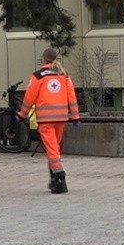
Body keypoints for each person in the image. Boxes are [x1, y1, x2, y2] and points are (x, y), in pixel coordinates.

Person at [18, 48, 80, 194]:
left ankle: (59, 177)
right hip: (61, 118)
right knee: (54, 148)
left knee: (52, 149)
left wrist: (22, 114)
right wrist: (75, 116)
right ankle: (53, 179)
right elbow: (71, 96)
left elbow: (29, 97)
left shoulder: (38, 76)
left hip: (46, 119)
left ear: (44, 59)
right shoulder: (63, 75)